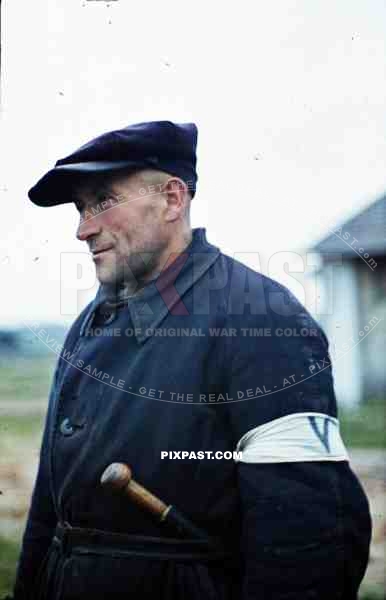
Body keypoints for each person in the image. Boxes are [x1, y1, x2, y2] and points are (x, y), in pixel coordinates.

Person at [13, 121, 371, 600]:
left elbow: (308, 539)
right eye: (80, 209)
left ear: (173, 199)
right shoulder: (88, 324)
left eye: (102, 201)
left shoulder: (261, 319)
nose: (83, 229)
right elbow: (49, 513)